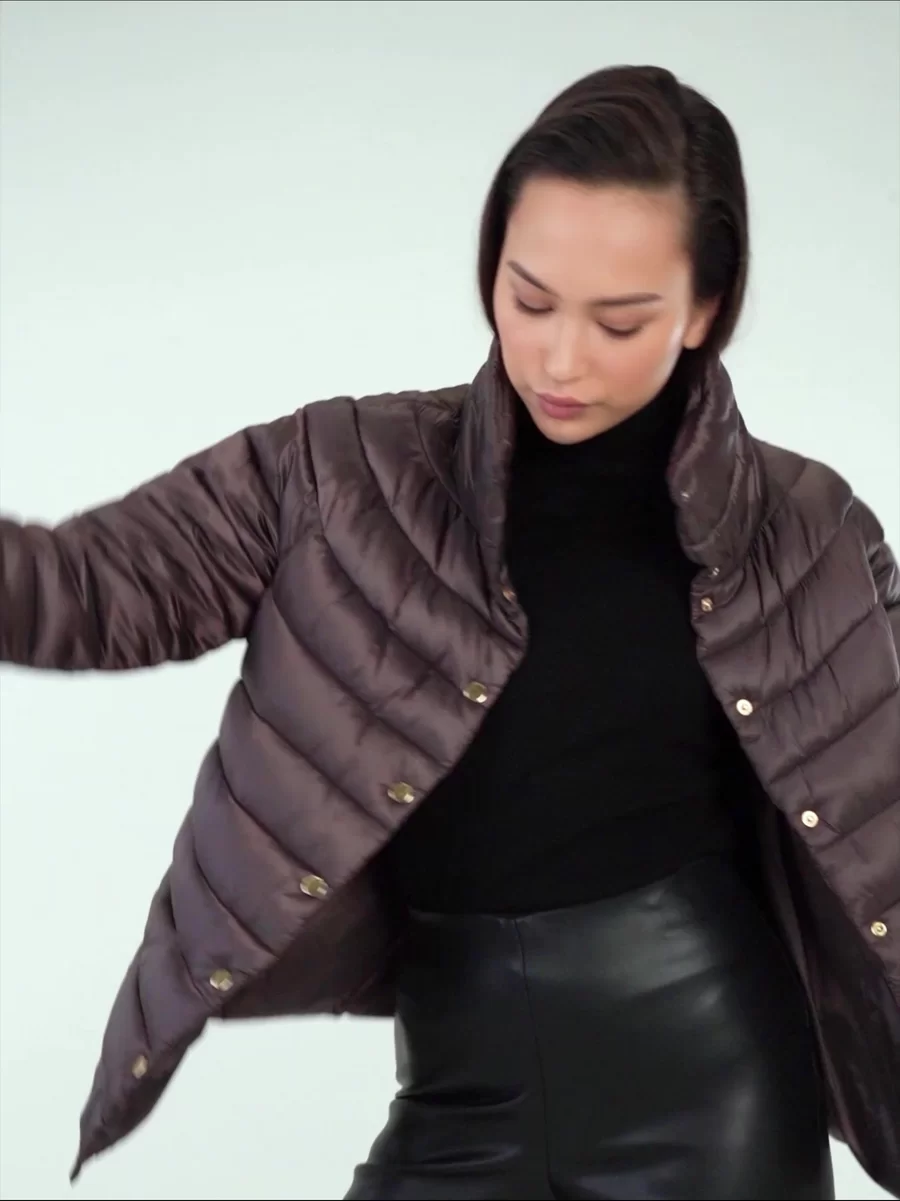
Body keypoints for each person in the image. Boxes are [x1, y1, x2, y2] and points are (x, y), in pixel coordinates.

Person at [1, 63, 898, 1201]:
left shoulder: (807, 528)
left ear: (705, 308)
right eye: (530, 299)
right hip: (456, 1086)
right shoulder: (341, 476)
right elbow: (84, 586)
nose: (560, 359)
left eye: (619, 321)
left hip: (708, 1089)